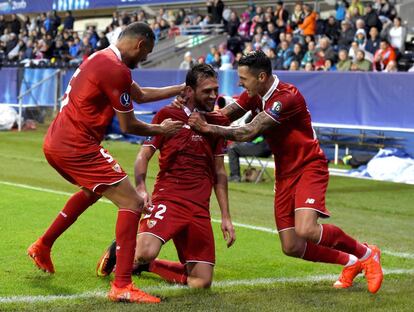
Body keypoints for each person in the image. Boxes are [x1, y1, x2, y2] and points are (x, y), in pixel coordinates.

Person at [188, 50, 383, 294]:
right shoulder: (254, 93)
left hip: (309, 166)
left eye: (243, 78)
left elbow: (249, 131)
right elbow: (226, 115)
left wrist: (206, 128)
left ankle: (367, 253)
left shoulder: (286, 97)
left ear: (261, 77)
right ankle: (351, 262)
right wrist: (191, 114)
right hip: (285, 173)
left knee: (306, 230)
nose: (239, 83)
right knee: (291, 246)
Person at [26, 22, 185, 304]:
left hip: (58, 140)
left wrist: (181, 88)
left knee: (92, 191)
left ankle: (43, 244)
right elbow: (128, 124)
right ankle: (122, 284)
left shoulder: (102, 58)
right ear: (139, 45)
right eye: (146, 52)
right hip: (77, 145)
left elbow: (140, 94)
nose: (145, 58)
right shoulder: (115, 68)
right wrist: (162, 130)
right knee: (133, 203)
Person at [96, 64, 236, 288]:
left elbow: (220, 173)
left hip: (200, 207)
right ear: (189, 91)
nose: (213, 95)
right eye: (206, 91)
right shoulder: (168, 115)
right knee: (144, 251)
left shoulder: (218, 124)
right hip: (169, 198)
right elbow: (143, 155)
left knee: (201, 282)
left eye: (215, 90)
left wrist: (226, 217)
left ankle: (147, 266)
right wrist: (141, 188)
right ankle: (126, 250)